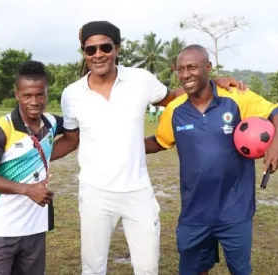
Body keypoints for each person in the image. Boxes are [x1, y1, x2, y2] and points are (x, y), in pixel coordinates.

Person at [50, 21, 247, 275]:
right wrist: (38, 157)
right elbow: (70, 139)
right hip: (95, 194)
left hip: (138, 192)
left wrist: (211, 82)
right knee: (92, 268)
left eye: (105, 47)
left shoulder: (140, 79)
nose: (98, 54)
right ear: (84, 54)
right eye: (90, 50)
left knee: (147, 268)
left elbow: (175, 96)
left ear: (116, 48)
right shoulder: (71, 94)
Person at [144, 44, 278, 275]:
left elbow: (277, 114)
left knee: (240, 270)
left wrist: (277, 143)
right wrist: (124, 146)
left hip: (235, 209)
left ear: (208, 67)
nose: (185, 74)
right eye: (180, 69)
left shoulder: (236, 97)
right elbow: (159, 142)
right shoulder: (175, 110)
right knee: (193, 270)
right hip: (195, 211)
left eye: (192, 67)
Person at [0, 60, 64, 275]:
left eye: (40, 95)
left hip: (35, 228)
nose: (34, 102)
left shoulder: (51, 122)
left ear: (47, 93)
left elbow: (73, 135)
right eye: (27, 95)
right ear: (17, 94)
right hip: (1, 228)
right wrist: (28, 189)